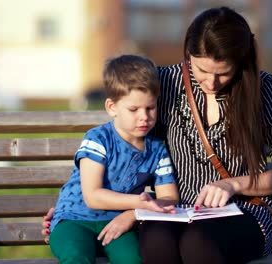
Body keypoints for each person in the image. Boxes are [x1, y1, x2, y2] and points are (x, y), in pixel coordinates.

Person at [43, 6, 272, 264]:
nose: (211, 83)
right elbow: (124, 147)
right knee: (156, 244)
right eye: (201, 70)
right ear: (188, 54)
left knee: (199, 245)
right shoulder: (165, 83)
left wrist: (233, 184)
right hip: (174, 210)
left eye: (223, 73)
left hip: (245, 210)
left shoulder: (264, 88)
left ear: (242, 61)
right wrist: (79, 211)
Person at [47, 54, 179, 264]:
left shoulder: (157, 149)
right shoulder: (98, 139)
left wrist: (138, 210)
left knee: (133, 259)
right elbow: (93, 196)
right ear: (112, 107)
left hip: (117, 221)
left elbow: (170, 197)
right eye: (134, 109)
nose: (144, 116)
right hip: (74, 219)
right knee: (76, 255)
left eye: (150, 108)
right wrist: (140, 202)